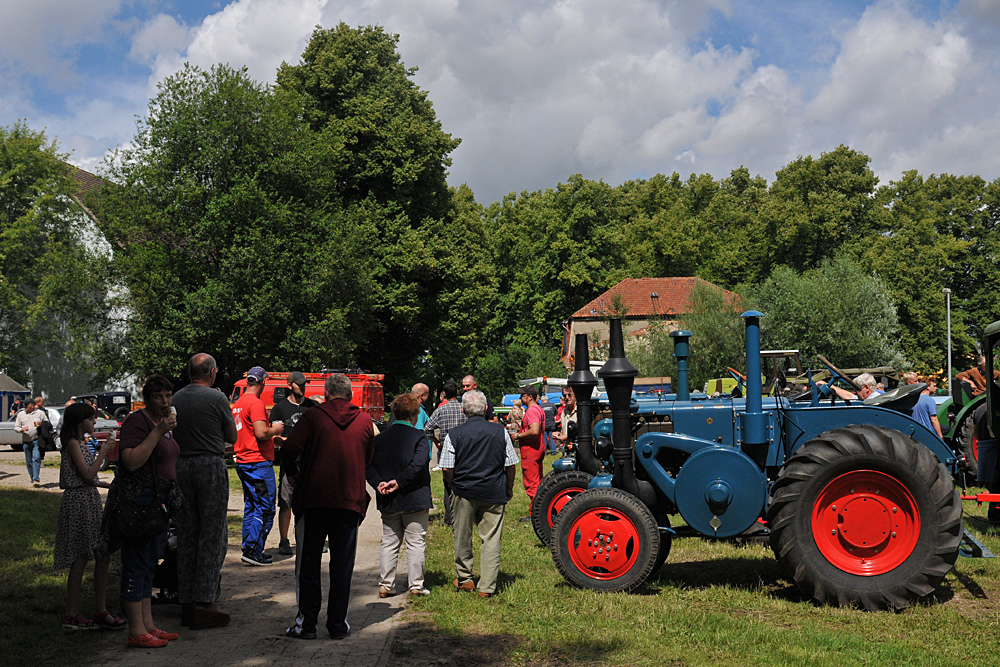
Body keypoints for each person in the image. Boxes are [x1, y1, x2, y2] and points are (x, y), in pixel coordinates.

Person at [281, 374, 375, 640]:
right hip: (349, 501)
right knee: (342, 565)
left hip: (314, 499)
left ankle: (306, 623)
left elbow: (289, 450)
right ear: (350, 395)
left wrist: (292, 474)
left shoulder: (312, 417)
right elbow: (368, 456)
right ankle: (337, 625)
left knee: (309, 564)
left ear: (326, 392)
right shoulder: (365, 420)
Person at [108, 374, 181, 649]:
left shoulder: (163, 424)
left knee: (150, 564)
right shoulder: (137, 423)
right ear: (147, 399)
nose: (165, 401)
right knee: (136, 565)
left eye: (168, 396)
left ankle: (148, 625)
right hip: (139, 505)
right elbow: (131, 460)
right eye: (159, 396)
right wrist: (157, 433)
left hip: (157, 504)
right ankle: (135, 630)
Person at [171, 353, 238, 629]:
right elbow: (232, 437)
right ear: (211, 372)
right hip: (210, 464)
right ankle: (205, 600)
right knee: (212, 534)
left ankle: (186, 599)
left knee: (187, 533)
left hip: (180, 465)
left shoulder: (175, 398)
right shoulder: (217, 398)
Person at [440, 390, 518, 599]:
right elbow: (510, 464)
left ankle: (465, 579)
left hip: (463, 491)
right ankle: (487, 586)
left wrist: (454, 485)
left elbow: (447, 468)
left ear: (464, 410)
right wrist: (509, 487)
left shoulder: (453, 434)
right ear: (485, 409)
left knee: (462, 536)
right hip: (493, 490)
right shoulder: (500, 432)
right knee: (491, 539)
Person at [54, 402, 125, 631]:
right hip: (79, 504)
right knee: (81, 557)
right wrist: (104, 452)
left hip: (87, 500)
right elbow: (86, 475)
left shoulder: (81, 443)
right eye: (91, 418)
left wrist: (109, 485)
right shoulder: (73, 443)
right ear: (79, 422)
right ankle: (71, 614)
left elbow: (88, 478)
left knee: (101, 554)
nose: (95, 422)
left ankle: (99, 609)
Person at [366, 393, 432, 598]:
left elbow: (367, 466)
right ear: (414, 414)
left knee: (389, 542)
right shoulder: (419, 436)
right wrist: (400, 481)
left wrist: (379, 484)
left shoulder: (379, 439)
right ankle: (416, 586)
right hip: (414, 496)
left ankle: (386, 584)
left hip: (388, 498)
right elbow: (419, 464)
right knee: (415, 542)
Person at [231, 366, 284, 566]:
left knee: (252, 506)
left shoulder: (239, 402)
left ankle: (248, 547)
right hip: (258, 463)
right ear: (263, 381)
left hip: (244, 460)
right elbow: (262, 433)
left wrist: (274, 439)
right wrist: (275, 429)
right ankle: (253, 549)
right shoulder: (255, 403)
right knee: (266, 507)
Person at [268, 371, 318, 556]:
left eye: (304, 384)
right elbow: (274, 437)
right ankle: (284, 540)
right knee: (286, 502)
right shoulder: (280, 408)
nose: (302, 387)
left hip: (310, 462)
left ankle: (310, 539)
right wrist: (288, 441)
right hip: (289, 462)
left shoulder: (312, 407)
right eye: (299, 384)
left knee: (311, 503)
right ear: (290, 385)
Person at [424, 382, 466, 525]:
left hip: (446, 450)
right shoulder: (464, 408)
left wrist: (436, 443)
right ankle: (465, 516)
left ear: (444, 394)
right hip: (464, 450)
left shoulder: (441, 410)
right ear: (458, 391)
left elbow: (427, 428)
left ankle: (449, 518)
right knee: (464, 480)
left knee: (448, 483)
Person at [511, 385, 545, 502]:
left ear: (530, 397)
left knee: (532, 483)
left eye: (522, 395)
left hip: (531, 450)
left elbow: (534, 431)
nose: (520, 398)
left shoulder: (531, 411)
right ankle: (540, 508)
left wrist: (518, 435)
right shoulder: (539, 409)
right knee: (538, 480)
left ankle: (535, 512)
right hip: (538, 447)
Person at [13, 396, 43, 487]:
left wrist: (41, 425)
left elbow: (47, 423)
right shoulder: (21, 414)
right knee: (29, 461)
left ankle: (36, 479)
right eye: (25, 405)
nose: (25, 407)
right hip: (26, 441)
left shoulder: (40, 413)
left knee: (36, 458)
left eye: (27, 405)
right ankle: (32, 477)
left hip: (36, 440)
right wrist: (22, 429)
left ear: (32, 405)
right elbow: (16, 427)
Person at [902, 372, 943, 438]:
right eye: (934, 386)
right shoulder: (930, 400)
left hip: (915, 433)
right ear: (927, 387)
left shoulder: (911, 400)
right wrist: (940, 436)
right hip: (928, 434)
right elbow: (934, 420)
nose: (936, 388)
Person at [552, 386, 577, 451]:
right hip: (567, 448)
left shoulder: (580, 412)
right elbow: (564, 432)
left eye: (569, 395)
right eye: (564, 395)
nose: (567, 397)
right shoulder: (564, 412)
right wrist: (558, 434)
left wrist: (566, 437)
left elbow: (582, 432)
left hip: (578, 448)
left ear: (575, 395)